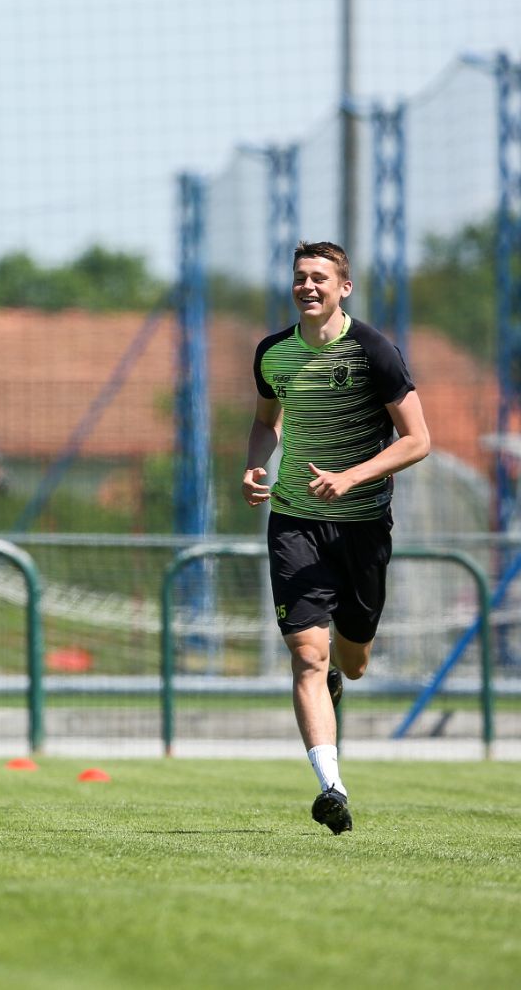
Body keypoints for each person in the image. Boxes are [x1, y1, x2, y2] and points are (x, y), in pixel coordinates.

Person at [242, 240, 429, 834]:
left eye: (320, 277)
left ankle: (336, 678)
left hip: (364, 526)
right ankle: (332, 787)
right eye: (300, 277)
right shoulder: (273, 354)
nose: (308, 286)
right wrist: (255, 466)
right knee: (306, 655)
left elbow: (417, 440)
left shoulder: (374, 351)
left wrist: (350, 478)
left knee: (352, 662)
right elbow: (264, 422)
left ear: (343, 287)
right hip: (295, 520)